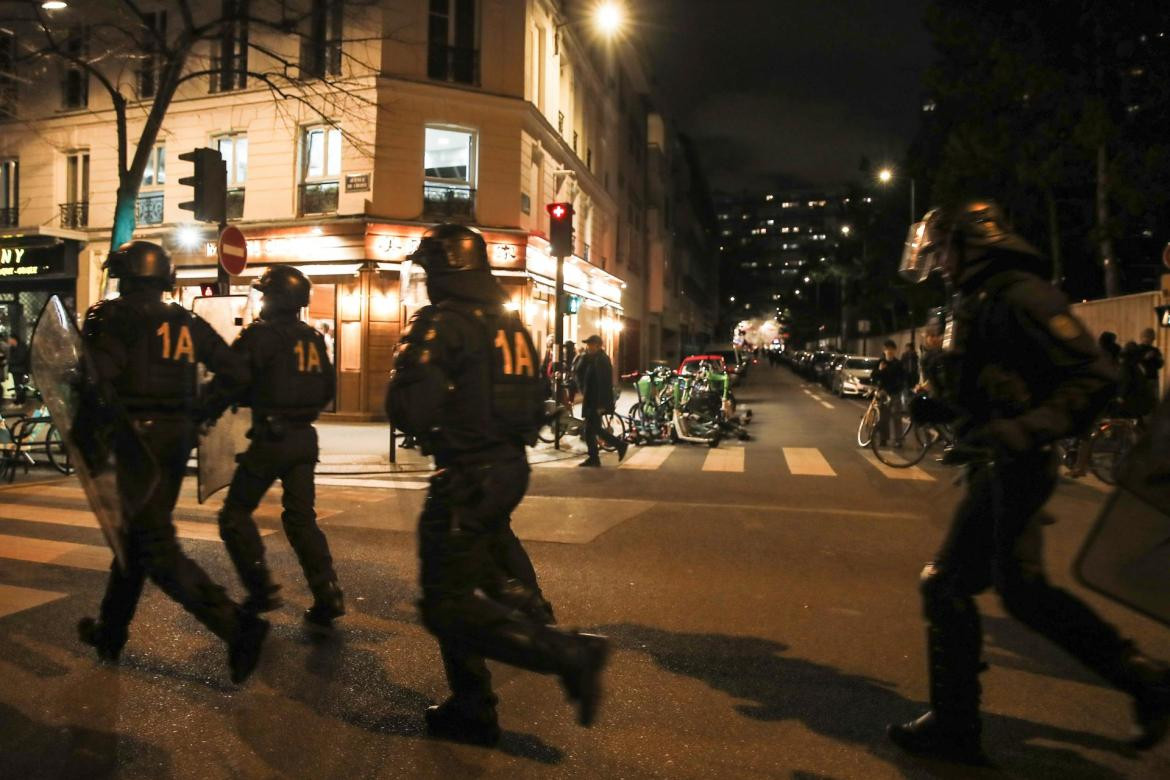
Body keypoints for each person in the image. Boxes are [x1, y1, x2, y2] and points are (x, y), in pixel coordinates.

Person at [888, 200, 1170, 763]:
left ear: (975, 243)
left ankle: (956, 727)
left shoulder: (1020, 293)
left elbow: (1094, 375)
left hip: (1017, 463)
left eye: (944, 249)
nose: (939, 261)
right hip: (999, 461)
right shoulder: (978, 299)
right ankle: (1145, 681)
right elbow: (991, 383)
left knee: (946, 584)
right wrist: (938, 409)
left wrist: (1024, 430)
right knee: (1023, 593)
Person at [386, 223, 607, 746]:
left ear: (446, 270)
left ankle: (566, 655)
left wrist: (407, 368)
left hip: (466, 474)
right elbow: (533, 403)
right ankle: (472, 702)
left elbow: (408, 407)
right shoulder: (509, 324)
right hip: (505, 467)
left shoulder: (444, 323)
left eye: (431, 270)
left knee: (444, 603)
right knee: (464, 580)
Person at [75, 241, 268, 683]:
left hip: (134, 440)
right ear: (164, 278)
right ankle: (110, 632)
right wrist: (202, 408)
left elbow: (96, 379)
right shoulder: (186, 320)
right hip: (176, 439)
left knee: (154, 545)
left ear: (123, 275)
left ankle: (237, 625)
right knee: (135, 538)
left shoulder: (113, 316)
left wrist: (86, 437)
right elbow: (237, 371)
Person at [211, 265, 344, 629]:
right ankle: (327, 591)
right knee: (302, 519)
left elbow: (229, 381)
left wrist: (202, 414)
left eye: (266, 295)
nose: (262, 301)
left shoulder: (260, 336)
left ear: (276, 299)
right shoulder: (314, 338)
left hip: (271, 439)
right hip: (305, 438)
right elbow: (327, 387)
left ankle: (261, 589)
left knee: (235, 515)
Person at [576, 335, 628, 467]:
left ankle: (617, 446)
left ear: (598, 346)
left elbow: (603, 384)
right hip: (591, 400)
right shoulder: (592, 359)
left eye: (590, 344)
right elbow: (579, 371)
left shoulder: (601, 360)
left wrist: (601, 405)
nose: (588, 347)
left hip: (596, 401)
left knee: (592, 430)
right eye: (587, 344)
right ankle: (596, 457)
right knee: (592, 429)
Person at [871, 340, 907, 447]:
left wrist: (894, 389)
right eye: (887, 349)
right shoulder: (880, 362)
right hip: (882, 394)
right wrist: (880, 370)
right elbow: (873, 376)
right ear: (884, 350)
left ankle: (898, 440)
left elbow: (902, 379)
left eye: (891, 349)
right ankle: (883, 439)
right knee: (883, 418)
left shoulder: (898, 364)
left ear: (894, 350)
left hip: (895, 393)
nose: (889, 351)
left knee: (896, 417)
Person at [1134, 327, 1163, 406]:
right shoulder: (1137, 349)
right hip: (1142, 379)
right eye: (1148, 337)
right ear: (1143, 338)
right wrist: (1145, 358)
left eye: (1151, 338)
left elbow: (1160, 364)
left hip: (1153, 378)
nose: (1150, 340)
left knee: (1154, 400)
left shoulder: (1155, 350)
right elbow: (1134, 362)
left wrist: (1157, 359)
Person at [7, 333, 29, 405]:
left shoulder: (22, 347)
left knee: (21, 385)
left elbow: (21, 359)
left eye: (10, 339)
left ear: (14, 339)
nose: (8, 341)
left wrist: (10, 361)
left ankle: (22, 400)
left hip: (21, 370)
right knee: (16, 385)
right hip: (15, 370)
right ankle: (18, 399)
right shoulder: (12, 347)